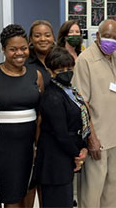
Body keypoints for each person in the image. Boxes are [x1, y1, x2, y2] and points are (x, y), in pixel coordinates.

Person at [0, 24, 44, 207]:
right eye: (13, 49)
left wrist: (37, 146)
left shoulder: (35, 75)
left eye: (23, 48)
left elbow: (40, 113)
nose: (19, 53)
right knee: (1, 196)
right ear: (3, 50)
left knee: (22, 194)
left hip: (27, 147)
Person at [72, 19, 116, 208]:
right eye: (107, 36)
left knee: (113, 191)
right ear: (97, 36)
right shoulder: (85, 60)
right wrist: (92, 138)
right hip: (99, 139)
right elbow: (81, 103)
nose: (111, 41)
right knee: (92, 193)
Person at [33, 47, 90, 207]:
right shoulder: (52, 96)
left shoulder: (70, 90)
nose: (66, 72)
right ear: (50, 71)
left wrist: (83, 146)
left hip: (66, 156)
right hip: (55, 160)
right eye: (60, 70)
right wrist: (77, 154)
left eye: (69, 69)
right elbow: (61, 134)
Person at [28, 20, 56, 86]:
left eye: (47, 35)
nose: (43, 39)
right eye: (37, 36)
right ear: (31, 39)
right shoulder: (25, 63)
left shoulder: (61, 59)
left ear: (53, 38)